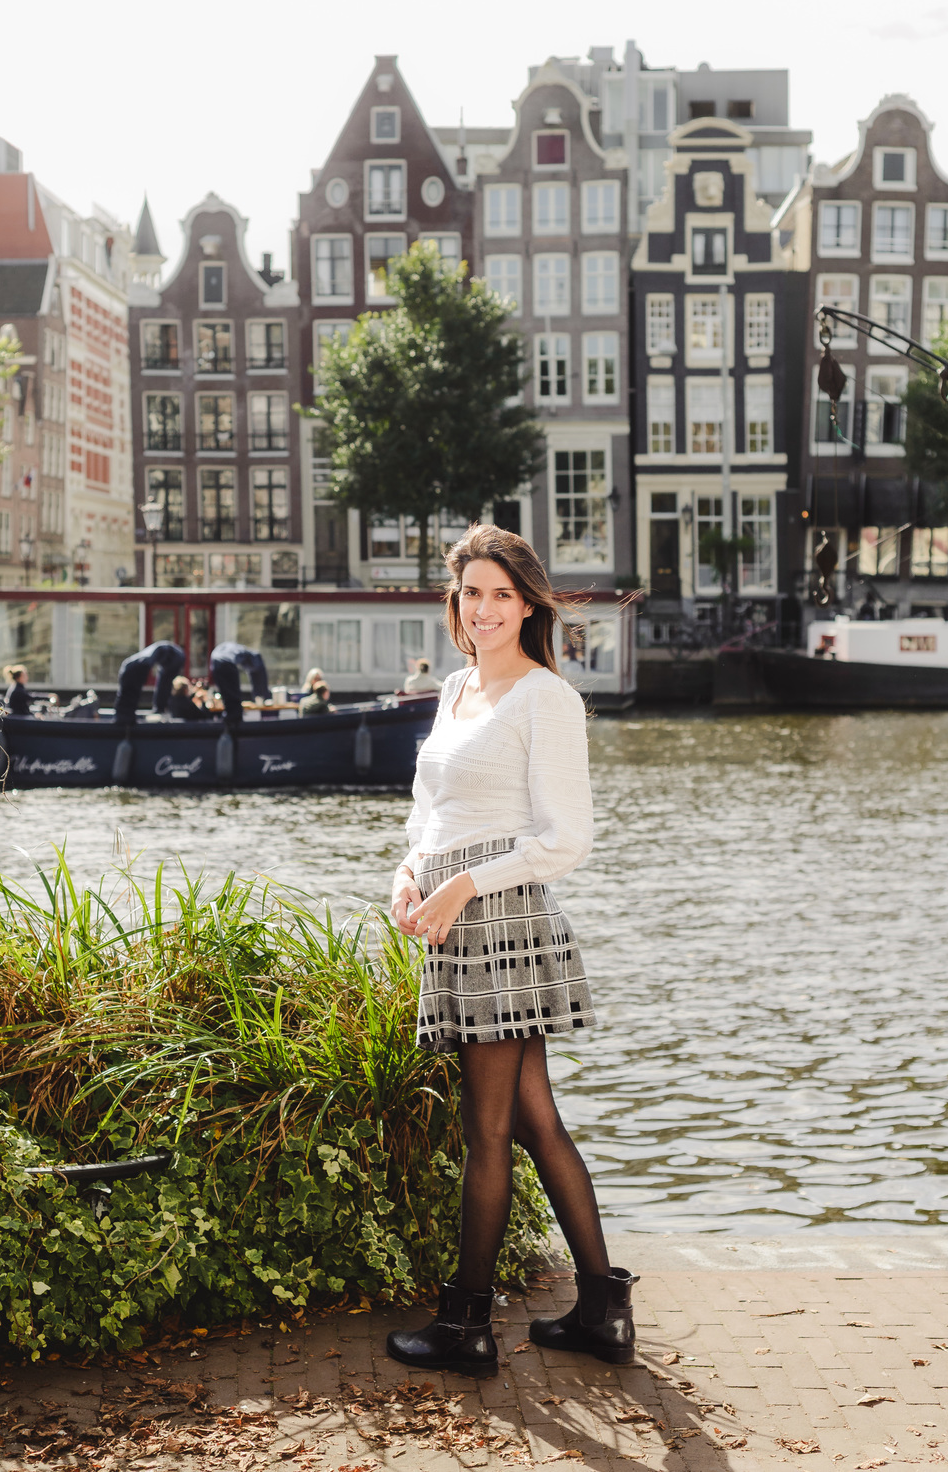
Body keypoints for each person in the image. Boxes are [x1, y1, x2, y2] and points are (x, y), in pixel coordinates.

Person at [385, 522, 636, 1378]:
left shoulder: (544, 699)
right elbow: (431, 814)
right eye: (470, 593)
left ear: (527, 603)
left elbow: (567, 840)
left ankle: (466, 1326)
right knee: (532, 1119)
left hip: (502, 921)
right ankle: (601, 1308)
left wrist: (461, 886)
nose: (484, 608)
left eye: (500, 593)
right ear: (455, 603)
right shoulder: (457, 691)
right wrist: (411, 871)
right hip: (454, 918)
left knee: (486, 1128)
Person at [113, 640, 186, 725]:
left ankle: (126, 719)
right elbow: (164, 684)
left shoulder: (134, 665)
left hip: (136, 666)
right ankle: (158, 709)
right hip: (160, 658)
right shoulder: (139, 664)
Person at [207, 640, 271, 727]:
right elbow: (258, 672)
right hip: (225, 662)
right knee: (235, 706)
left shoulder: (227, 649)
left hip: (215, 662)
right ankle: (234, 727)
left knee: (230, 701)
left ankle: (229, 724)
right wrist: (262, 695)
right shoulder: (249, 653)